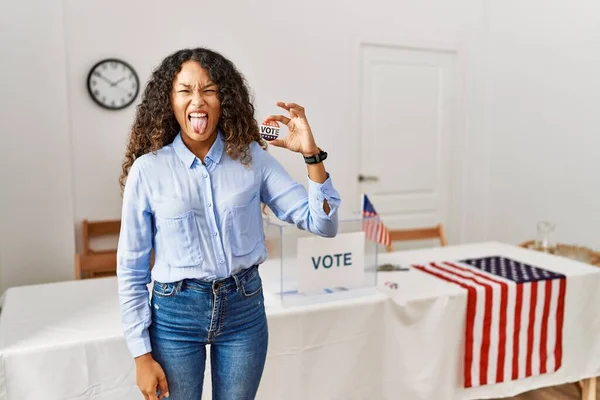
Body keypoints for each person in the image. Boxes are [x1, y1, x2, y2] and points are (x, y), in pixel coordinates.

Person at [116, 47, 341, 400]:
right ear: (169, 101)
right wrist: (141, 354)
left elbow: (323, 223)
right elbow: (131, 270)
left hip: (244, 311)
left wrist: (311, 155)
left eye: (208, 90)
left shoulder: (253, 158)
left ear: (224, 99)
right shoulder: (148, 170)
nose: (197, 100)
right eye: (185, 91)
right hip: (175, 316)